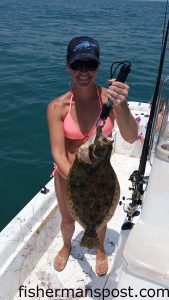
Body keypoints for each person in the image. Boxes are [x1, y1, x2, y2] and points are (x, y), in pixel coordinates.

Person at [47, 36, 138, 275]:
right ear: (68, 66)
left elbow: (130, 136)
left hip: (100, 176)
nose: (84, 71)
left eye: (90, 64)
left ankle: (99, 249)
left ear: (98, 66)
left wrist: (122, 105)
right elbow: (57, 152)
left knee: (100, 219)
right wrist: (79, 180)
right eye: (78, 65)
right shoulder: (58, 107)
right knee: (68, 221)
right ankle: (66, 246)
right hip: (68, 175)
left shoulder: (110, 101)